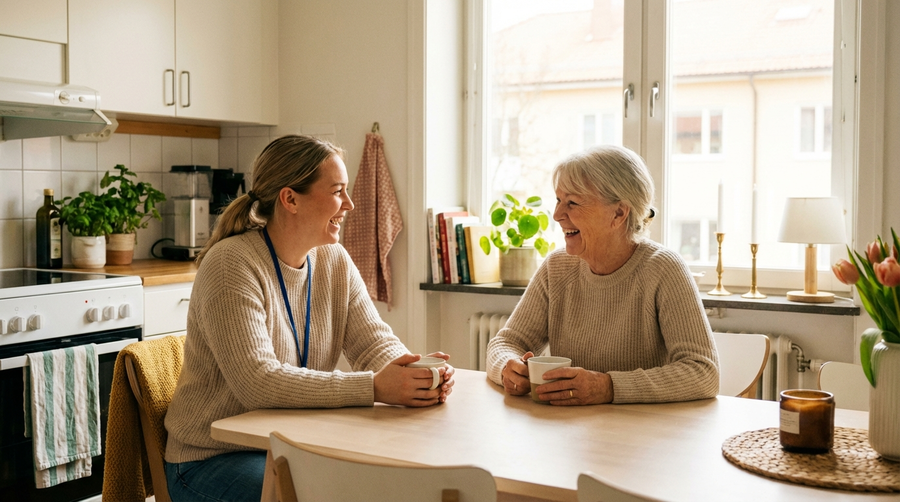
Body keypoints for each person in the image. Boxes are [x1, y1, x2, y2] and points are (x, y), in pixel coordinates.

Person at [164, 135, 455, 501]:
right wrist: (376, 387)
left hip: (288, 445)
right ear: (290, 199)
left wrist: (414, 372)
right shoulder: (231, 264)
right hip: (212, 458)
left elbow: (372, 342)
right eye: (338, 191)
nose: (348, 204)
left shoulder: (333, 260)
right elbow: (257, 381)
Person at [487, 145, 718, 405]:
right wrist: (507, 366)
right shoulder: (557, 267)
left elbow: (703, 372)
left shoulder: (663, 269)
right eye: (558, 200)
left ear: (618, 213)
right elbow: (506, 342)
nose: (557, 215)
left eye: (572, 203)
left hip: (644, 433)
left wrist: (608, 387)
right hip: (570, 430)